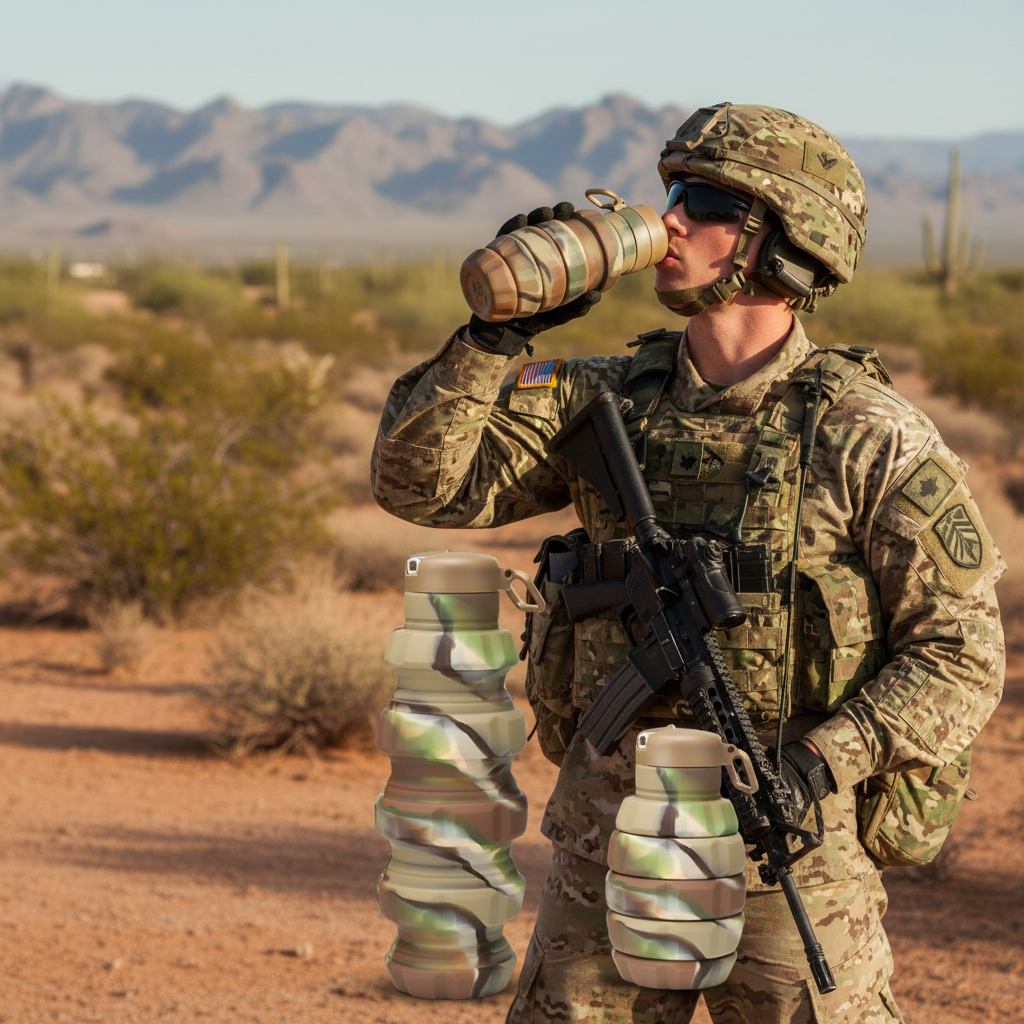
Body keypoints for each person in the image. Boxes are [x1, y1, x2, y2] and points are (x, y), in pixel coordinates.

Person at [370, 103, 1005, 1024]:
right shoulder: (598, 398)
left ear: (784, 239)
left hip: (786, 855)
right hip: (611, 842)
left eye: (702, 201)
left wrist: (818, 767)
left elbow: (961, 654)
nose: (668, 220)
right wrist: (493, 339)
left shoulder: (868, 435)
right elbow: (421, 487)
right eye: (672, 192)